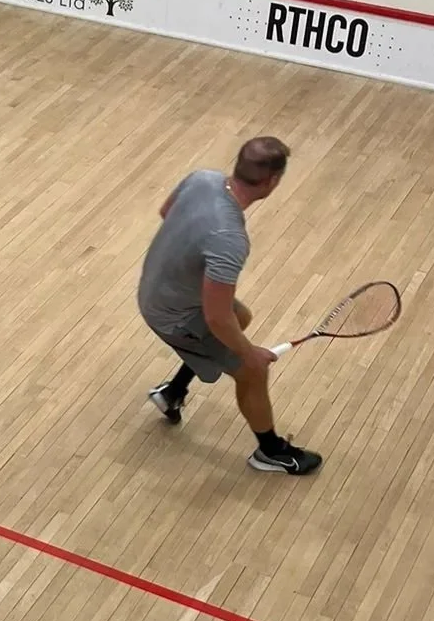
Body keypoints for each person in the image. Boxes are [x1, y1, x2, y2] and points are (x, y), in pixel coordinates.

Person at [137, 136, 321, 475]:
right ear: (273, 181)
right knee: (252, 370)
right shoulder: (228, 238)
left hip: (156, 286)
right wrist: (250, 354)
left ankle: (173, 392)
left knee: (242, 316)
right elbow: (216, 317)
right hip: (172, 313)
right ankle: (270, 452)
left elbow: (166, 212)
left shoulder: (202, 178)